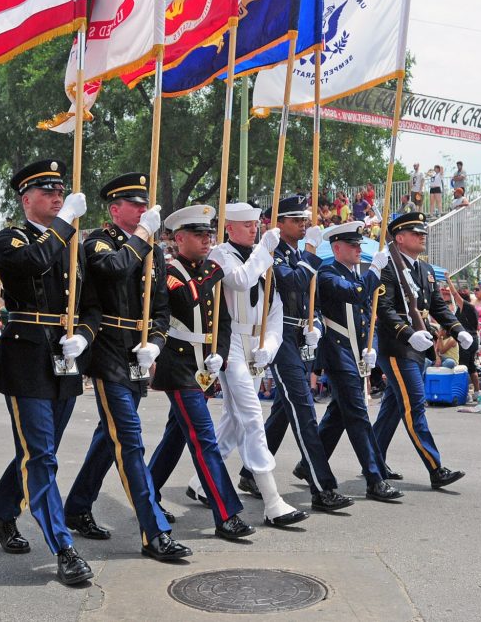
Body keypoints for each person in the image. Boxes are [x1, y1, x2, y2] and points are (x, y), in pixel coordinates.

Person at [64, 173, 191, 561]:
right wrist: (142, 237)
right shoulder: (98, 242)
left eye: (144, 205)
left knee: (110, 435)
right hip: (107, 353)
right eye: (134, 205)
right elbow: (114, 269)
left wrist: (154, 344)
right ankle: (154, 531)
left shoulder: (152, 251)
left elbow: (162, 311)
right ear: (115, 209)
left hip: (137, 354)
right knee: (130, 439)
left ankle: (78, 505)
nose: (142, 211)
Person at [0, 160, 95, 586]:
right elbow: (31, 263)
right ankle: (62, 547)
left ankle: (1, 513)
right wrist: (66, 221)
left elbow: (93, 305)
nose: (57, 197)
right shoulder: (9, 238)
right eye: (48, 192)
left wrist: (84, 335)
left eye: (60, 191)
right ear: (26, 199)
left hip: (65, 359)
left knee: (38, 451)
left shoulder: (73, 244)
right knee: (42, 455)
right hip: (27, 357)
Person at [188, 202, 309, 527]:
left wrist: (270, 345)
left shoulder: (263, 255)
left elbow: (276, 306)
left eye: (256, 225)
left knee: (235, 419)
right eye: (246, 225)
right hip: (229, 346)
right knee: (253, 418)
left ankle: (200, 482)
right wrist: (265, 252)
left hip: (256, 345)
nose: (254, 230)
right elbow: (240, 281)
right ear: (230, 228)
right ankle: (272, 501)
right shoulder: (220, 255)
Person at [237, 196, 353, 513]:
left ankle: (250, 473)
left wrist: (312, 324)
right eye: (296, 219)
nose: (303, 224)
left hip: (298, 334)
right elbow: (291, 283)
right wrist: (313, 255)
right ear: (280, 223)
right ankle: (322, 487)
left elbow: (305, 297)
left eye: (304, 219)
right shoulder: (270, 252)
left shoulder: (298, 253)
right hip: (277, 336)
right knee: (303, 409)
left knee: (284, 410)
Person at [148, 205, 255, 540]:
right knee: (203, 437)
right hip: (177, 364)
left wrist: (219, 355)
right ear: (178, 238)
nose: (207, 239)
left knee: (176, 436)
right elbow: (188, 299)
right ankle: (226, 513)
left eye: (209, 233)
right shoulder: (168, 268)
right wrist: (216, 268)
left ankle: (146, 494)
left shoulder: (209, 269)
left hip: (201, 365)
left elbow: (222, 321)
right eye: (199, 234)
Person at [297, 222, 403, 502]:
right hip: (337, 353)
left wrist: (373, 350)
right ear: (337, 248)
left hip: (356, 353)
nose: (359, 249)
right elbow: (354, 293)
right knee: (357, 414)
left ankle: (308, 465)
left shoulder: (356, 273)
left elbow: (367, 317)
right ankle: (374, 478)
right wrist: (376, 272)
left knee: (338, 415)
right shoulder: (328, 273)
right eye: (353, 245)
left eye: (360, 245)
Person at [372, 212, 472, 489]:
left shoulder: (425, 270)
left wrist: (457, 329)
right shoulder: (387, 267)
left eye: (422, 232)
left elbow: (438, 307)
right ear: (400, 238)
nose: (422, 236)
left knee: (392, 409)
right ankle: (435, 468)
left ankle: (373, 461)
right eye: (416, 233)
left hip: (421, 347)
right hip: (398, 347)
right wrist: (407, 333)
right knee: (415, 404)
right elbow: (384, 308)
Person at [444, 274, 480, 394]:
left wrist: (448, 280)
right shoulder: (470, 309)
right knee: (471, 367)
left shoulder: (467, 307)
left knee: (463, 367)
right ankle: (477, 392)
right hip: (473, 339)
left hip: (467, 340)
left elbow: (454, 294)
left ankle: (463, 393)